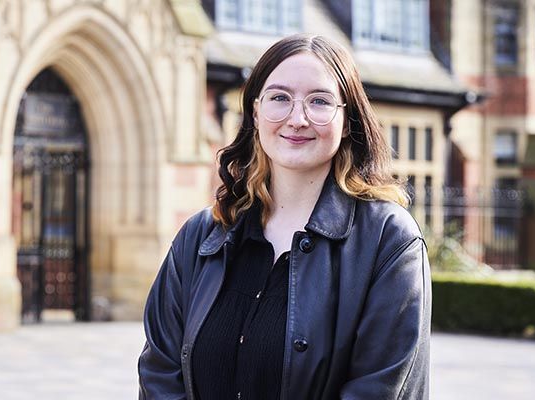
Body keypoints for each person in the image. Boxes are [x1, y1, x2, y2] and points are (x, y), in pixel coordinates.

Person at [138, 34, 431, 400]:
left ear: (348, 118)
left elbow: (377, 389)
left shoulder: (388, 241)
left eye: (319, 101)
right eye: (279, 98)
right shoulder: (201, 235)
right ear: (256, 111)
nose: (297, 118)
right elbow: (160, 373)